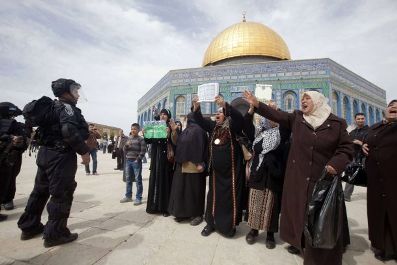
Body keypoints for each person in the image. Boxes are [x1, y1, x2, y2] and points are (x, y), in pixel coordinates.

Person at [244, 90, 353, 265]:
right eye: (301, 98)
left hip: (322, 180)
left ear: (318, 101)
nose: (303, 101)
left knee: (318, 220)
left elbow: (347, 148)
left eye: (307, 98)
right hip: (298, 178)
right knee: (298, 214)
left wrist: (335, 164)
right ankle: (299, 243)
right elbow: (277, 115)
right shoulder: (297, 118)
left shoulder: (337, 123)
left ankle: (315, 255)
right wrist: (257, 104)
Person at [17, 78, 90, 248]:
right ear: (66, 92)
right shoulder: (67, 108)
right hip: (60, 157)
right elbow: (69, 130)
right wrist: (84, 151)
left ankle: (29, 226)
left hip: (45, 154)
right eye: (75, 91)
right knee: (61, 194)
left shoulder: (52, 108)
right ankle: (55, 234)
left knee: (39, 192)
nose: (78, 94)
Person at [192, 95, 246, 238]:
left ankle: (228, 226)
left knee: (229, 200)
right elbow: (200, 121)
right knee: (213, 198)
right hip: (216, 174)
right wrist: (197, 109)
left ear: (227, 115)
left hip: (232, 174)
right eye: (217, 112)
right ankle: (210, 224)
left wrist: (225, 104)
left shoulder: (233, 126)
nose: (218, 114)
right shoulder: (213, 127)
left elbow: (240, 118)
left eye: (221, 112)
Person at [244, 101, 291, 249]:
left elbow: (286, 123)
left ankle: (270, 234)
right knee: (255, 203)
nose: (271, 119)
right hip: (258, 174)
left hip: (273, 174)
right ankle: (254, 230)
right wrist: (251, 110)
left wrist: (276, 110)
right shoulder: (259, 133)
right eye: (269, 116)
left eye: (274, 116)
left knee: (272, 205)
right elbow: (245, 126)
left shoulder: (282, 133)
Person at [362, 100, 397, 262]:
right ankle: (382, 246)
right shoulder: (375, 127)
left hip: (393, 178)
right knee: (378, 212)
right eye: (391, 105)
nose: (394, 107)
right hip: (376, 179)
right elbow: (369, 143)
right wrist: (362, 146)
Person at [168, 112, 208, 226]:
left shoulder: (200, 131)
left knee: (194, 192)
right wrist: (175, 131)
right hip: (183, 165)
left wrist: (200, 163)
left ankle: (197, 214)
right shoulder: (187, 131)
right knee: (183, 191)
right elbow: (179, 143)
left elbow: (201, 148)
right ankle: (183, 213)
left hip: (195, 167)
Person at [0, 102, 29, 218]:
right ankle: (7, 200)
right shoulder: (13, 124)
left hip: (10, 155)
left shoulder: (15, 124)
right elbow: (23, 142)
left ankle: (6, 199)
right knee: (9, 178)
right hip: (10, 157)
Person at [145, 109, 174, 216]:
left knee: (165, 181)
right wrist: (145, 134)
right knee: (155, 181)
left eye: (165, 114)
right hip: (156, 158)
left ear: (168, 116)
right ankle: (153, 206)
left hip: (165, 159)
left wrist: (169, 134)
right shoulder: (155, 126)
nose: (163, 116)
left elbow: (175, 141)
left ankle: (165, 209)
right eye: (161, 114)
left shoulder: (170, 126)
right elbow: (148, 141)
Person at [343, 113, 368, 201]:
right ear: (355, 120)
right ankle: (346, 196)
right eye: (358, 119)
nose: (360, 120)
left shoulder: (370, 131)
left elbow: (373, 144)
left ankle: (373, 194)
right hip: (354, 157)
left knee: (369, 176)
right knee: (350, 175)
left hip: (366, 158)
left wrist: (360, 143)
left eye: (362, 118)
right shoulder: (352, 132)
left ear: (365, 119)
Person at [120, 123, 146, 205]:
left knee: (138, 179)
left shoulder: (141, 139)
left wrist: (138, 159)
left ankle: (138, 198)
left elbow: (143, 151)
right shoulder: (129, 138)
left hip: (136, 162)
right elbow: (124, 149)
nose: (133, 130)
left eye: (134, 129)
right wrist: (127, 146)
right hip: (128, 161)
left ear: (138, 130)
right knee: (128, 179)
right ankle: (128, 196)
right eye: (132, 129)